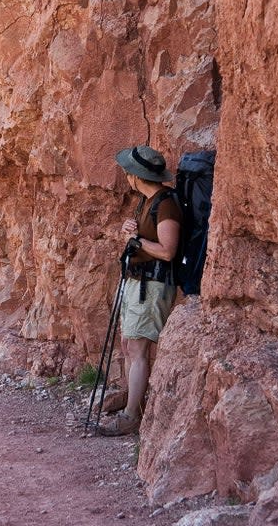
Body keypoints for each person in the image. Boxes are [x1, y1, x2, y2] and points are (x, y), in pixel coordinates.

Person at [98, 145, 182, 437]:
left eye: (127, 173)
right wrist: (131, 232)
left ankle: (132, 415)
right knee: (130, 347)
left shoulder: (166, 204)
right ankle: (133, 404)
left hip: (153, 286)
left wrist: (136, 241)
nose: (125, 177)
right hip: (138, 283)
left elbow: (168, 251)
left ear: (136, 176)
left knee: (138, 349)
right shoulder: (147, 201)